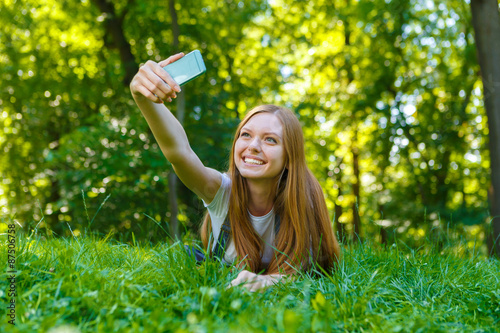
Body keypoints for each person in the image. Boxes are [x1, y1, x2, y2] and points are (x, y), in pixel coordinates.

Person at [130, 52, 341, 292]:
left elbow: (310, 272)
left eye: (270, 140)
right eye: (246, 135)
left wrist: (266, 281)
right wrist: (143, 97)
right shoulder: (221, 191)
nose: (253, 146)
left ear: (289, 158)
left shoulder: (303, 198)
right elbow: (180, 153)